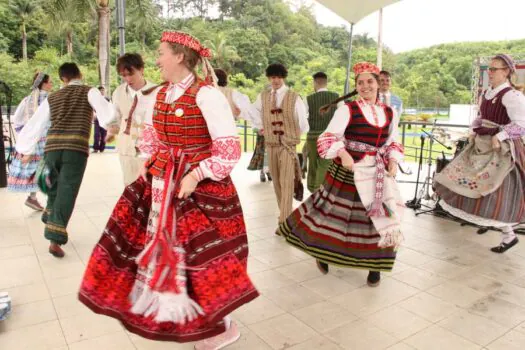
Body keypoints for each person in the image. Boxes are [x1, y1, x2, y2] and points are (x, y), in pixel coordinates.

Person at [78, 31, 258, 349]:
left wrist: (195, 175)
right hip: (163, 183)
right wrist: (149, 162)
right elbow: (152, 136)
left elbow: (229, 150)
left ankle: (223, 326)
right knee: (171, 253)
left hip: (200, 190)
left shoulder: (207, 95)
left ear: (178, 56)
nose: (157, 59)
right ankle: (187, 314)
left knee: (206, 255)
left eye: (161, 53)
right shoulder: (161, 95)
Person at [277, 62, 405, 287]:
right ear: (356, 86)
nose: (365, 86)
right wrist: (343, 154)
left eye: (370, 82)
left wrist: (393, 159)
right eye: (360, 83)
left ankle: (375, 266)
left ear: (378, 84)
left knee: (379, 220)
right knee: (334, 218)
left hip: (376, 174)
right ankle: (323, 253)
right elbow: (328, 137)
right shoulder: (348, 109)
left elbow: (393, 141)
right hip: (347, 173)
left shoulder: (390, 112)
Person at [15, 63, 114, 258]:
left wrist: (25, 148)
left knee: (54, 183)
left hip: (52, 148)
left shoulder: (53, 97)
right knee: (67, 189)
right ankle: (55, 237)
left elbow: (36, 123)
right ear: (80, 74)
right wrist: (111, 127)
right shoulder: (89, 91)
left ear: (63, 79)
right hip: (74, 149)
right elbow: (107, 113)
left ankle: (49, 212)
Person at [434, 54, 525, 253]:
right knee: (464, 180)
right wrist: (475, 130)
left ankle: (508, 234)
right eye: (489, 69)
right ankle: (505, 233)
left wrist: (500, 136)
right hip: (482, 144)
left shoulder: (512, 96)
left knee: (495, 190)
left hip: (501, 151)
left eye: (494, 69)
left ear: (507, 71)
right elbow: (482, 117)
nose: (489, 73)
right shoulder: (488, 93)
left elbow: (522, 125)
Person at [251, 63, 309, 224]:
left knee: (286, 181)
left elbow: (303, 122)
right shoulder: (263, 96)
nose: (275, 80)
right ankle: (284, 214)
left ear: (283, 77)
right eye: (272, 77)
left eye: (278, 77)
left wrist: (292, 135)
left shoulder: (294, 97)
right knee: (276, 182)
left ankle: (284, 221)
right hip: (270, 145)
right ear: (269, 78)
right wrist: (261, 127)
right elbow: (253, 111)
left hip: (288, 146)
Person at [107, 53, 159, 185]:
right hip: (127, 148)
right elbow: (115, 117)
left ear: (141, 69)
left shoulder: (157, 92)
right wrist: (111, 132)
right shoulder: (118, 92)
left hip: (151, 149)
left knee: (149, 187)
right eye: (124, 75)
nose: (128, 78)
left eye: (131, 74)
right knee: (129, 186)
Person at [8, 72, 53, 211]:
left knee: (38, 169)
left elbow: (17, 119)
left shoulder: (27, 100)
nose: (51, 84)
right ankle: (50, 200)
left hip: (33, 141)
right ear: (44, 84)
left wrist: (25, 133)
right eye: (50, 82)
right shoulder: (50, 99)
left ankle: (33, 197)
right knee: (48, 168)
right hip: (46, 139)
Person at [305, 72, 339, 192]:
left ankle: (312, 188)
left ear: (315, 82)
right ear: (326, 82)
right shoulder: (336, 97)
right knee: (325, 164)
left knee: (313, 164)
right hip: (329, 138)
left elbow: (304, 118)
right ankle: (321, 191)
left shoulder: (308, 99)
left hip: (312, 137)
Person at [92, 86, 108, 153]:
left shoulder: (107, 99)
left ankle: (102, 148)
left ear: (104, 91)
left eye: (103, 90)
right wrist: (93, 114)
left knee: (104, 134)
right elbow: (92, 108)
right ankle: (95, 148)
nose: (102, 91)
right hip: (97, 119)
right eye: (100, 90)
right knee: (96, 134)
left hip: (105, 119)